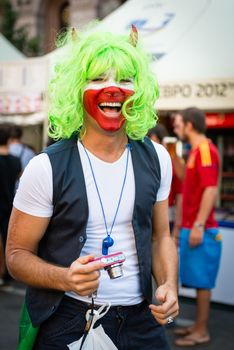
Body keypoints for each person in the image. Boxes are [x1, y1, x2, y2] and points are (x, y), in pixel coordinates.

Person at [6, 26, 179, 350]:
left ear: (138, 90)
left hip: (142, 322)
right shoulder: (46, 167)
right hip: (70, 319)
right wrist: (64, 278)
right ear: (75, 88)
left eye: (125, 79)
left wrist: (169, 284)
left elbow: (161, 237)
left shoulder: (157, 158)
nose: (112, 88)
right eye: (98, 78)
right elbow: (16, 256)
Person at [173, 107, 222, 347]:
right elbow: (188, 181)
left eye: (179, 124)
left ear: (189, 125)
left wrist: (199, 225)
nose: (176, 128)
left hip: (201, 228)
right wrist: (174, 158)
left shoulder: (204, 150)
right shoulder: (196, 151)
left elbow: (211, 189)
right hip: (194, 227)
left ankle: (201, 331)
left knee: (202, 284)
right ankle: (197, 326)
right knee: (198, 281)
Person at [148, 124, 183, 240]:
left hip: (167, 216)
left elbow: (180, 194)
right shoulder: (140, 160)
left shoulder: (171, 161)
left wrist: (177, 226)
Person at [0, 125, 21, 284]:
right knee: (9, 238)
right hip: (10, 203)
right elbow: (18, 180)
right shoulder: (15, 161)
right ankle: (8, 272)